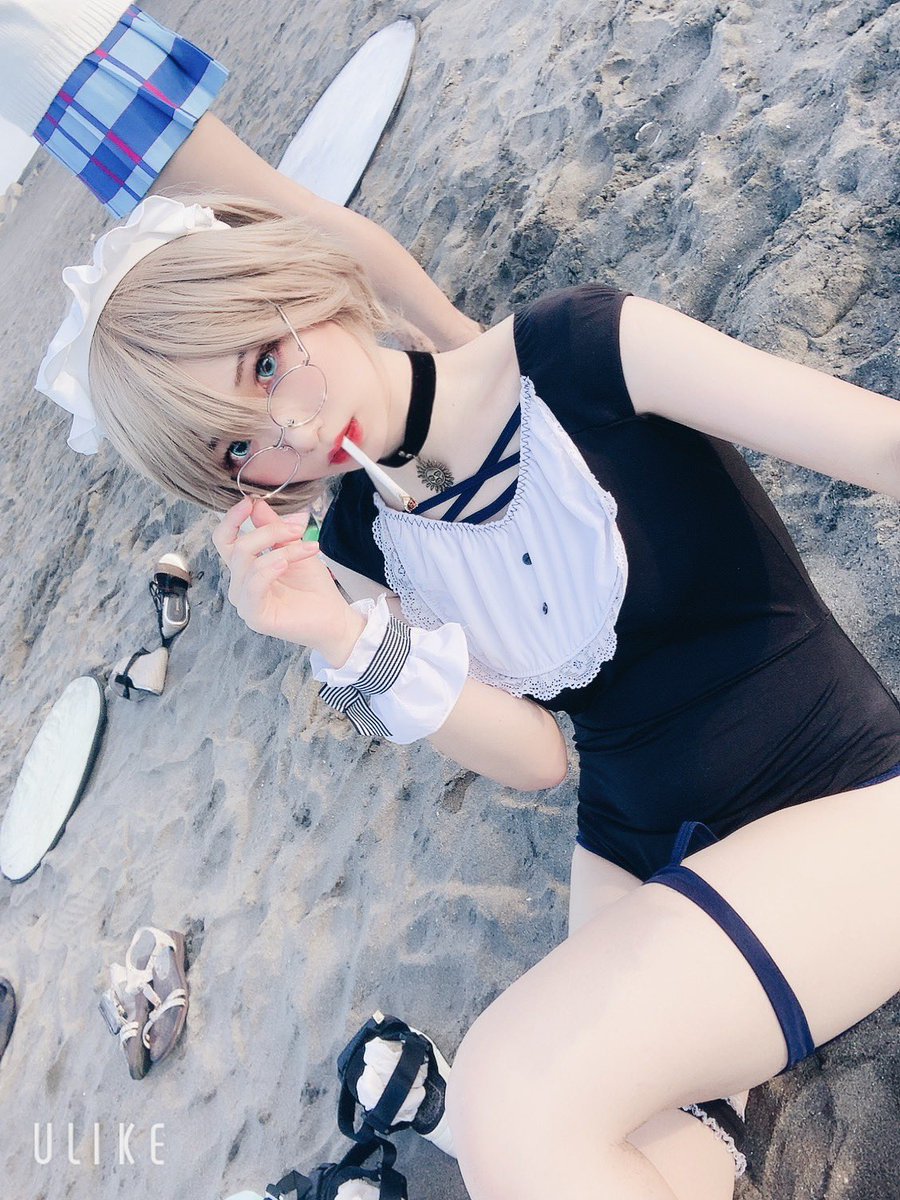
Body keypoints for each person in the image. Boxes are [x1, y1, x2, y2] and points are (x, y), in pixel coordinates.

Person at [37, 193, 900, 1200]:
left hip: (844, 787)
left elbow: (880, 447)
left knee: (507, 1097)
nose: (291, 429)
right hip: (639, 844)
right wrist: (342, 634)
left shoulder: (580, 350)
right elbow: (536, 757)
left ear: (301, 285)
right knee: (531, 1160)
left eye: (265, 363)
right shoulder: (357, 545)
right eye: (237, 450)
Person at [0, 1, 479, 351]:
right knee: (264, 233)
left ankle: (461, 339)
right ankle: (420, 332)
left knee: (288, 219)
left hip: (72, 68)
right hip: (58, 87)